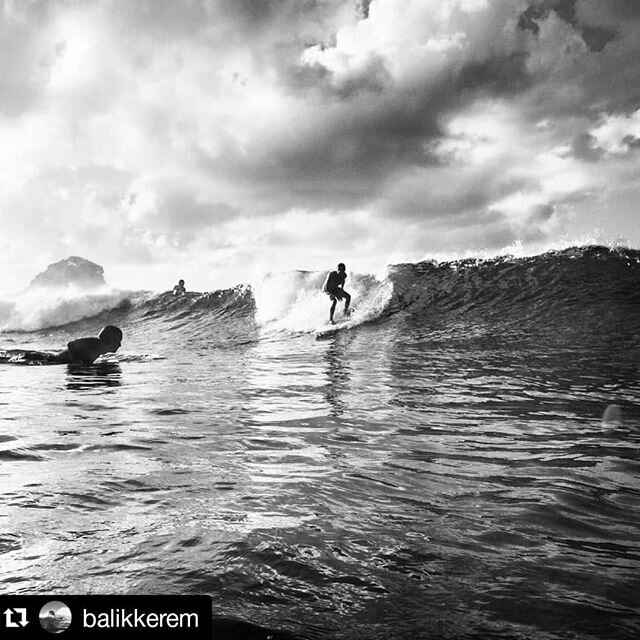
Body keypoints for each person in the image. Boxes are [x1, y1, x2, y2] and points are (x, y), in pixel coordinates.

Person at [53, 325, 123, 365]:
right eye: (118, 341)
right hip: (53, 360)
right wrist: (77, 362)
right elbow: (71, 344)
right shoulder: (95, 344)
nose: (120, 345)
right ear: (111, 340)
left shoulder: (100, 349)